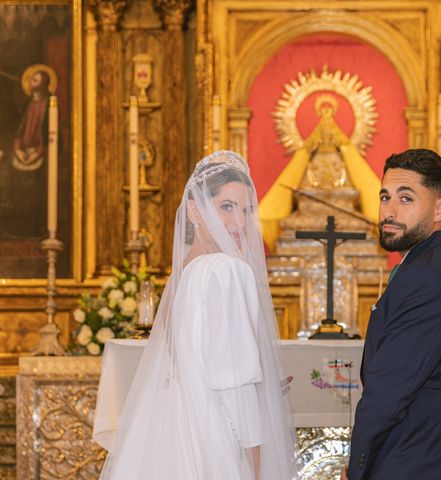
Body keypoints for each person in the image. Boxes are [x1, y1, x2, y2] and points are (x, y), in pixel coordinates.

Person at [99, 151, 297, 479]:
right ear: (195, 210)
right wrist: (257, 466)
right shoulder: (228, 270)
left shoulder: (183, 274)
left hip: (170, 435)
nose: (240, 223)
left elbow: (191, 364)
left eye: (247, 210)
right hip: (216, 443)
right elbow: (235, 388)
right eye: (227, 207)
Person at [343, 149, 441, 480]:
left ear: (439, 209)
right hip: (435, 449)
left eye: (406, 199)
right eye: (385, 197)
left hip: (419, 456)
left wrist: (357, 468)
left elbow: (388, 389)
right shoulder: (433, 265)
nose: (389, 211)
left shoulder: (428, 276)